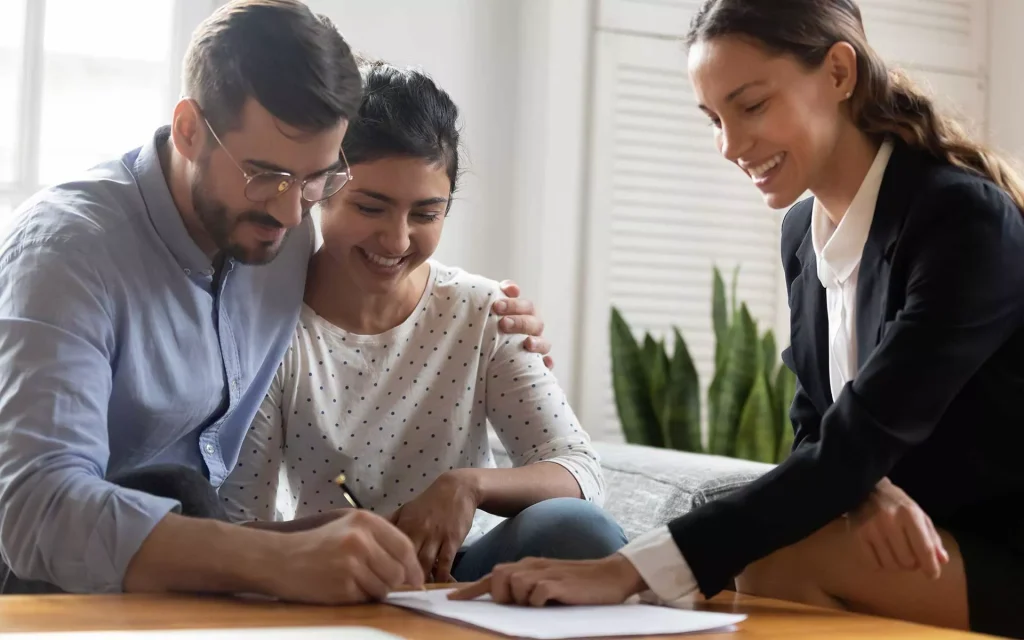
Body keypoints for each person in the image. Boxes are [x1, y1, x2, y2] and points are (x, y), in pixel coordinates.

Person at [449, 0, 1024, 637]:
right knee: (761, 557)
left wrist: (626, 570)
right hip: (918, 541)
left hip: (998, 545)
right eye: (714, 118)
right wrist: (862, 490)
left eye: (751, 107)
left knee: (772, 565)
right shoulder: (803, 235)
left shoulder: (962, 220)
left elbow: (863, 434)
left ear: (838, 73)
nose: (729, 145)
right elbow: (819, 429)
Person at [0, 0, 551, 604]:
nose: (292, 212)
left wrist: (495, 316)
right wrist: (269, 557)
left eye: (317, 180)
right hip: (46, 588)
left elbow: (381, 282)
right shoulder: (67, 252)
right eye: (265, 174)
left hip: (192, 574)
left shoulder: (278, 232)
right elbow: (35, 510)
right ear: (188, 130)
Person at [218, 61, 627, 584]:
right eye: (370, 207)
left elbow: (579, 469)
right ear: (319, 189)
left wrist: (468, 486)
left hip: (458, 580)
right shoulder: (270, 329)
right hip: (327, 575)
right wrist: (344, 535)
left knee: (576, 528)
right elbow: (236, 524)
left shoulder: (483, 312)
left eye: (426, 215)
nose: (397, 241)